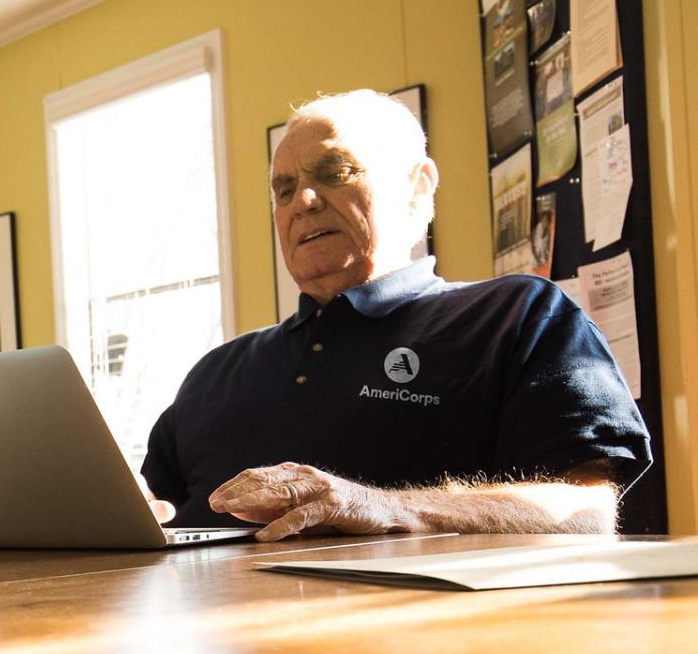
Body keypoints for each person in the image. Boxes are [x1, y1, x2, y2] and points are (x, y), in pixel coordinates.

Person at [141, 89, 650, 540]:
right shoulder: (213, 371)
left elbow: (586, 511)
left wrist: (386, 506)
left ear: (418, 186)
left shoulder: (518, 316)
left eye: (334, 172)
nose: (304, 201)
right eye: (284, 188)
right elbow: (152, 516)